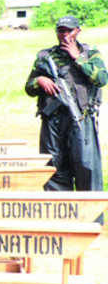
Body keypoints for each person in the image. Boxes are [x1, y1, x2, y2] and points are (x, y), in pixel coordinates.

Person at [25, 15, 107, 195]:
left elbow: (101, 79)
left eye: (69, 31)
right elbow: (29, 88)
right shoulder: (46, 56)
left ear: (78, 31)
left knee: (86, 167)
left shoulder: (90, 53)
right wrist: (40, 80)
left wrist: (77, 58)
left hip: (81, 119)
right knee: (54, 167)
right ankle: (60, 217)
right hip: (53, 121)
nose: (64, 35)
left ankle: (90, 217)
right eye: (61, 31)